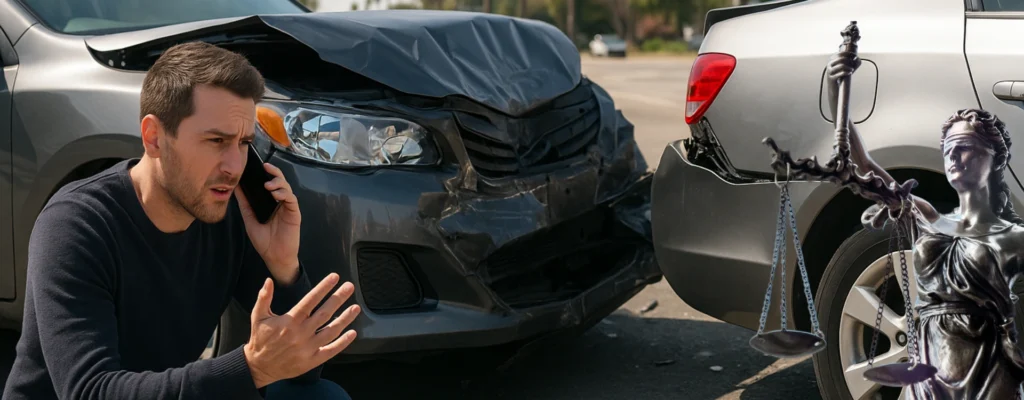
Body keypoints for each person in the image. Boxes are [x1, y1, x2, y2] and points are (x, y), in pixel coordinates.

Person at [1, 41, 361, 399]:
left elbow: (305, 372)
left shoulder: (227, 211)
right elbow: (89, 391)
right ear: (154, 137)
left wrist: (283, 267)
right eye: (217, 140)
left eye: (243, 143)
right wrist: (252, 368)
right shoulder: (77, 226)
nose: (234, 167)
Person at [827, 51, 1024, 398]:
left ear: (995, 160)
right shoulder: (927, 217)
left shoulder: (1015, 237)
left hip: (989, 376)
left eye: (965, 148)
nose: (953, 157)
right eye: (948, 149)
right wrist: (836, 88)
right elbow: (864, 167)